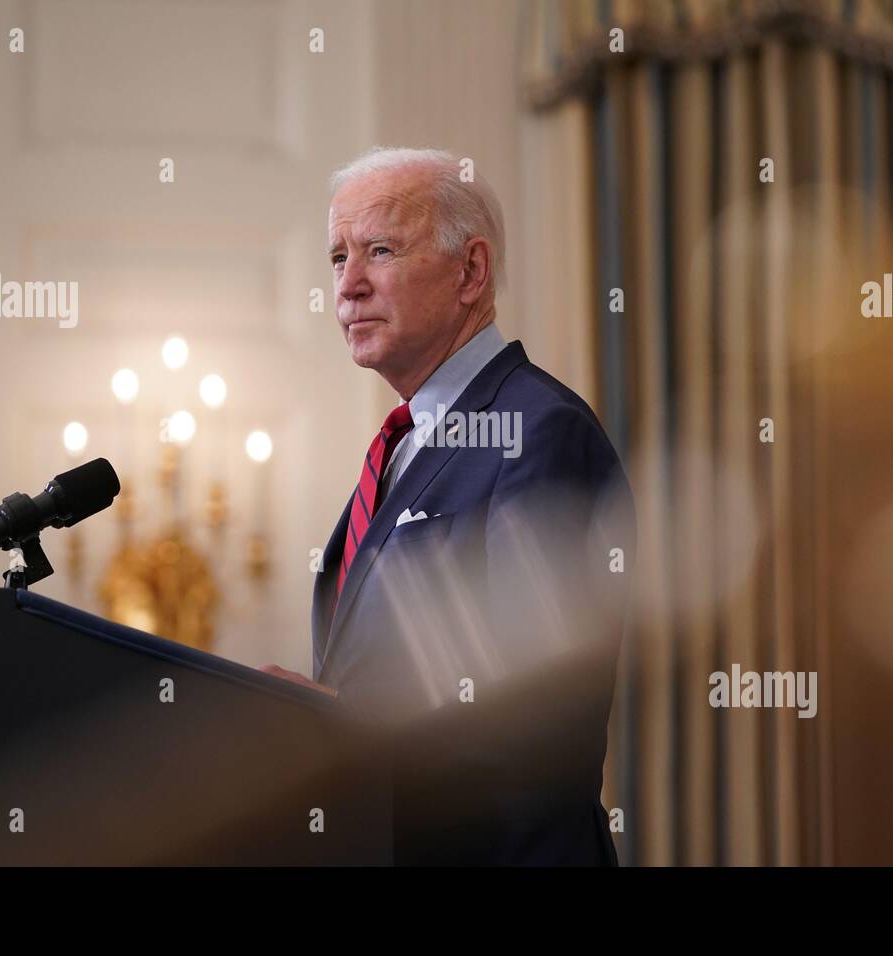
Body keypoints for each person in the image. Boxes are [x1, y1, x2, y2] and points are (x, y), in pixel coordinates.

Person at [258, 146, 635, 865]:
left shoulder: (537, 430)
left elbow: (541, 712)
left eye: (380, 250)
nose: (349, 287)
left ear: (471, 271)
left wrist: (340, 731)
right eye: (338, 258)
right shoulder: (405, 444)